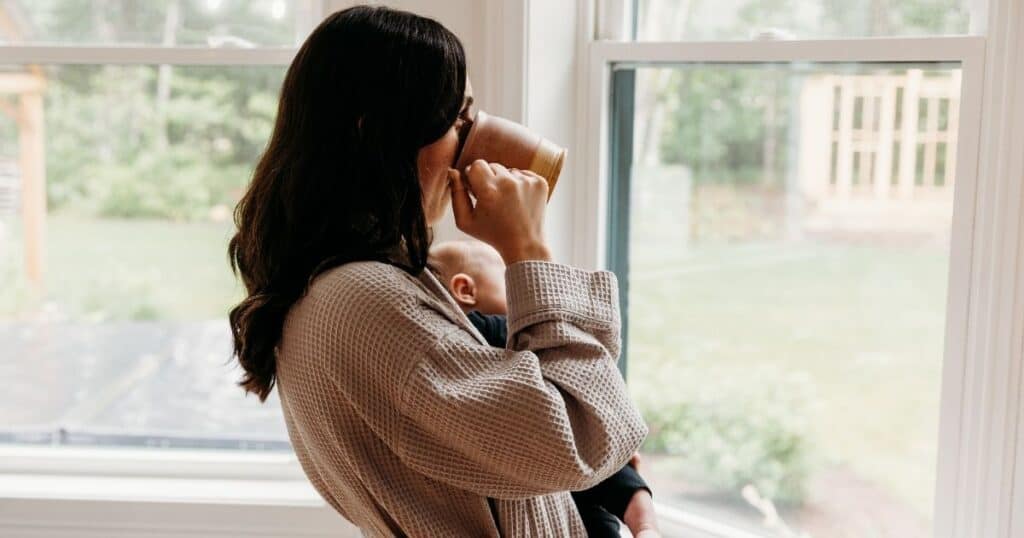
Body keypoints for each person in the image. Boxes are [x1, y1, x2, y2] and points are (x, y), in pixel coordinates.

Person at [228, 5, 657, 537]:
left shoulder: (343, 283)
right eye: (458, 120)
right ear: (377, 133)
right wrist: (527, 247)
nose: (472, 141)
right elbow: (583, 436)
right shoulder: (365, 301)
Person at [429, 240, 658, 537]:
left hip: (561, 487)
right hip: (573, 489)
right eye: (510, 276)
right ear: (465, 290)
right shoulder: (493, 328)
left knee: (614, 475)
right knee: (619, 477)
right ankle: (647, 526)